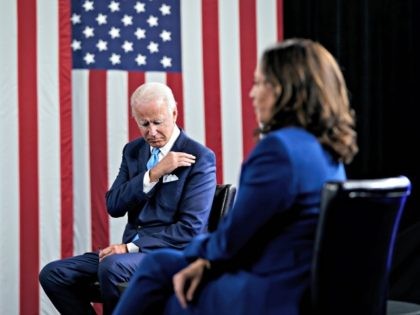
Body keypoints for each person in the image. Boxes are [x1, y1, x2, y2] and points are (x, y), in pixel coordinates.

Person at [113, 38, 359, 315]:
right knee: (160, 267)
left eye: (259, 83)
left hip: (269, 291)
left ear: (282, 90)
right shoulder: (327, 152)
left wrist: (201, 257)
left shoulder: (279, 150)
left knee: (157, 270)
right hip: (306, 286)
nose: (252, 94)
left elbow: (235, 236)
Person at [39, 82, 217, 315]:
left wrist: (129, 248)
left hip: (175, 254)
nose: (151, 132)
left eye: (157, 122)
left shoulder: (200, 157)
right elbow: (114, 205)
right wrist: (153, 174)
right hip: (129, 254)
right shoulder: (133, 151)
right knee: (53, 274)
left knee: (112, 268)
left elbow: (190, 229)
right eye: (144, 124)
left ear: (173, 113)